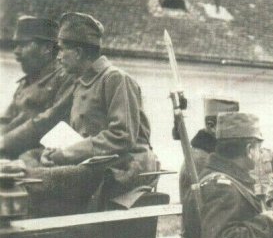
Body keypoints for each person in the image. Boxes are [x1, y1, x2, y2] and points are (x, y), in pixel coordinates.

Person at [40, 12, 159, 206]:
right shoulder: (82, 82)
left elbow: (122, 136)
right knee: (37, 176)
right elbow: (79, 137)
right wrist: (54, 152)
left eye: (61, 50)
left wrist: (68, 153)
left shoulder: (115, 79)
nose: (58, 57)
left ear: (78, 52)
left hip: (125, 169)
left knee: (44, 184)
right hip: (98, 167)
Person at [0, 16, 75, 159]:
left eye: (23, 44)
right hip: (12, 150)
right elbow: (7, 118)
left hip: (43, 154)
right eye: (15, 45)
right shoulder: (27, 80)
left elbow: (50, 120)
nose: (16, 51)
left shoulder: (66, 78)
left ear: (46, 48)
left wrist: (4, 142)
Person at [178, 97, 239, 205]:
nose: (234, 133)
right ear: (211, 126)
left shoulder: (209, 154)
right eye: (229, 127)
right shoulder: (200, 160)